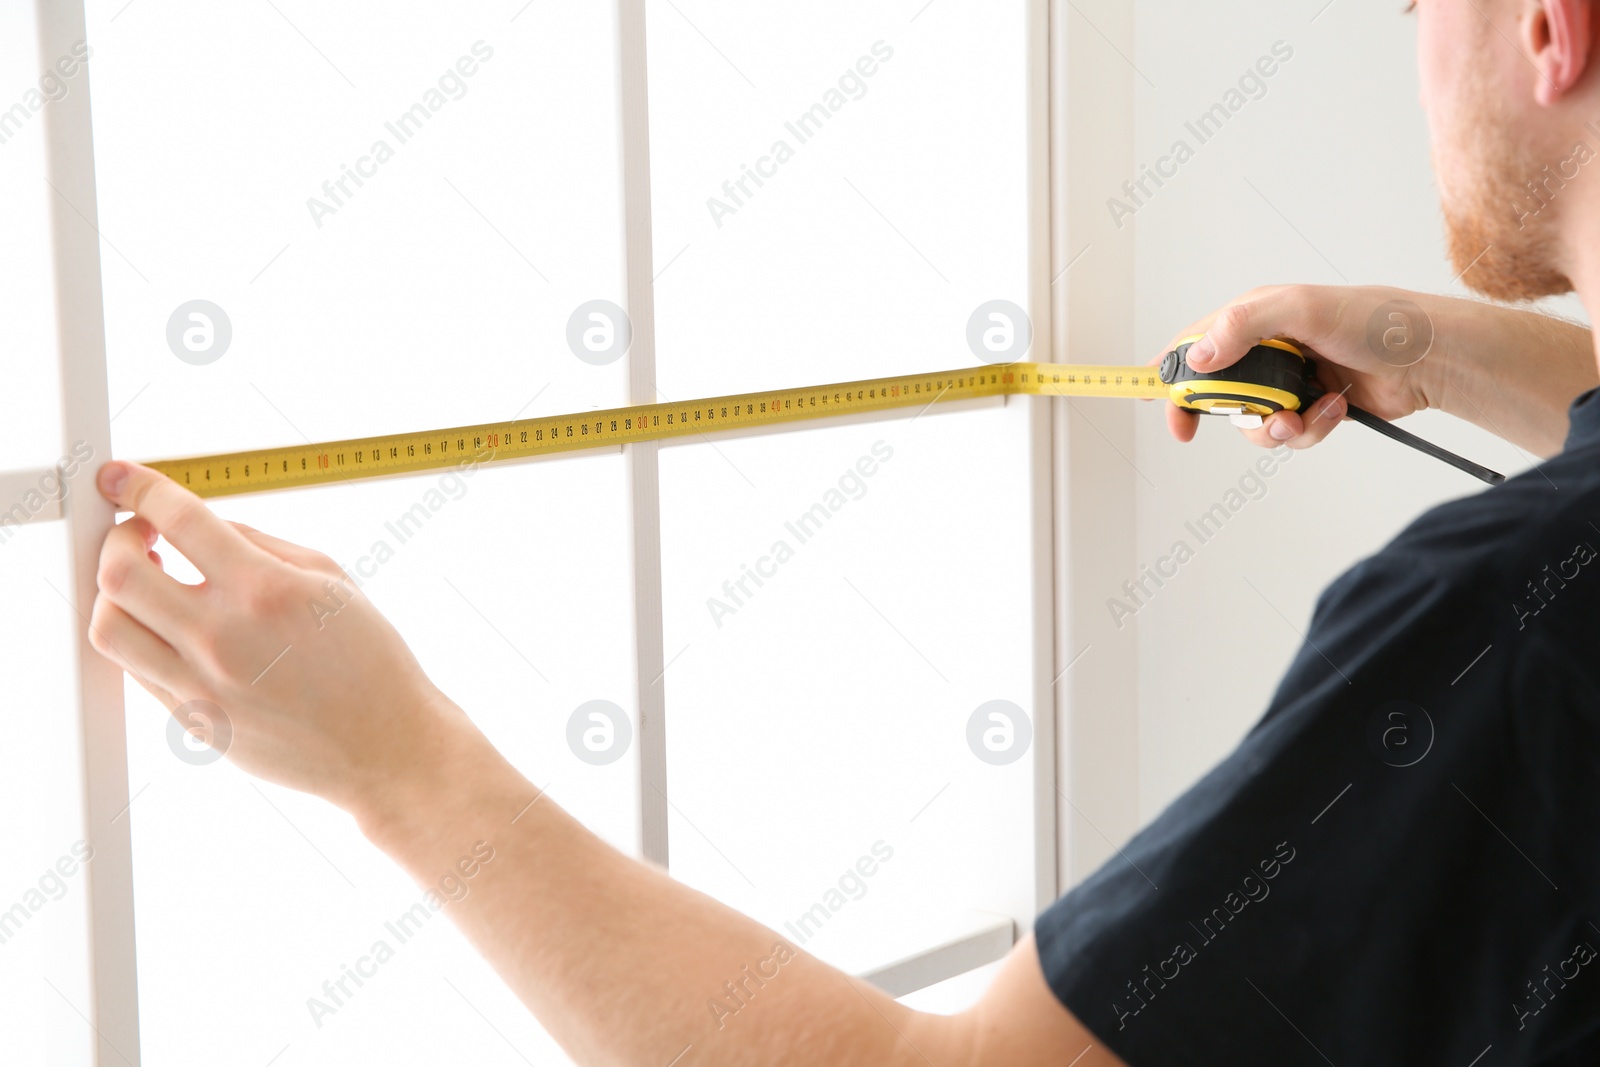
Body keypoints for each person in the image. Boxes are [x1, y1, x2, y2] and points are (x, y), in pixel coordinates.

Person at [86, 1, 1600, 1062]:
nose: (1407, 45)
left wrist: (403, 769)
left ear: (1551, 24)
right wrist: (1446, 349)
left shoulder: (1509, 625)